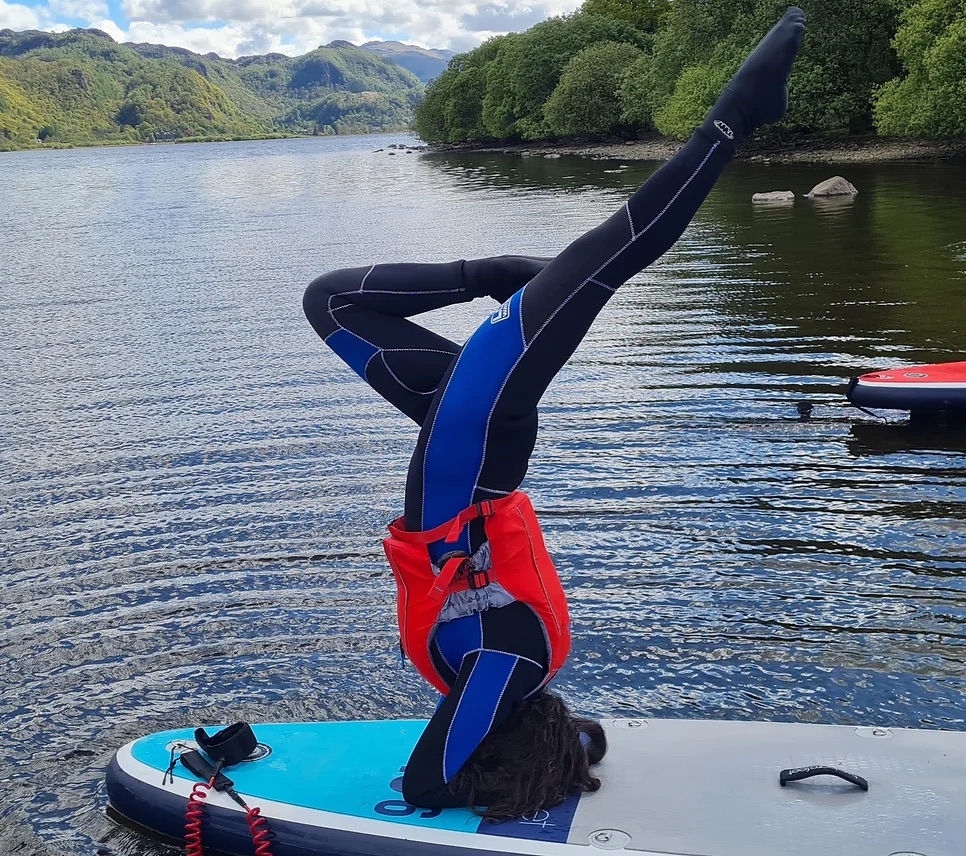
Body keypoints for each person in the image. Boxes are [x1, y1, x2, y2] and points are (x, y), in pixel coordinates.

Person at [303, 7, 807, 819]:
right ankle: (739, 113)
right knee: (609, 251)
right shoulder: (508, 666)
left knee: (328, 300)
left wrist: (576, 745)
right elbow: (428, 784)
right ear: (493, 740)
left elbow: (501, 738)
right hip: (471, 449)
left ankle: (506, 275)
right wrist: (504, 775)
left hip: (457, 441)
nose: (453, 729)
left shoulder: (511, 678)